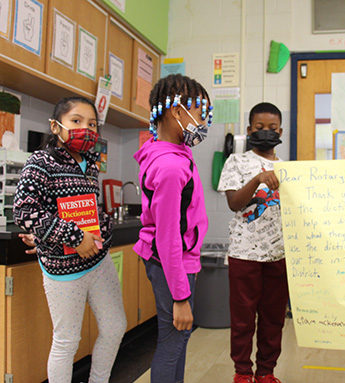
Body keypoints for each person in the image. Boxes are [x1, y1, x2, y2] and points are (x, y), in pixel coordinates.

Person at [13, 96, 127, 383]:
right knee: (67, 341)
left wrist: (103, 229)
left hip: (99, 262)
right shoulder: (40, 161)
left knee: (115, 327)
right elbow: (24, 210)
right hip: (64, 270)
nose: (85, 129)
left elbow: (88, 208)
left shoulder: (90, 164)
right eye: (76, 121)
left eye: (91, 124)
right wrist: (73, 237)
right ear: (56, 126)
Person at [133, 74, 212, 383]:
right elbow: (168, 237)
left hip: (173, 260)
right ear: (177, 112)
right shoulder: (170, 166)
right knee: (173, 338)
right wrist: (180, 296)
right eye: (200, 113)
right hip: (170, 261)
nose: (204, 121)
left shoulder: (169, 151)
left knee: (178, 337)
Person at [218, 102, 288, 383]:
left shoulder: (288, 168)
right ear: (249, 130)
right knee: (243, 318)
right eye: (260, 128)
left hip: (279, 254)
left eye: (272, 128)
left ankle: (267, 372)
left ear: (280, 131)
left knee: (273, 318)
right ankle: (243, 372)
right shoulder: (236, 162)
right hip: (244, 253)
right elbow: (235, 203)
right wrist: (258, 178)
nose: (266, 132)